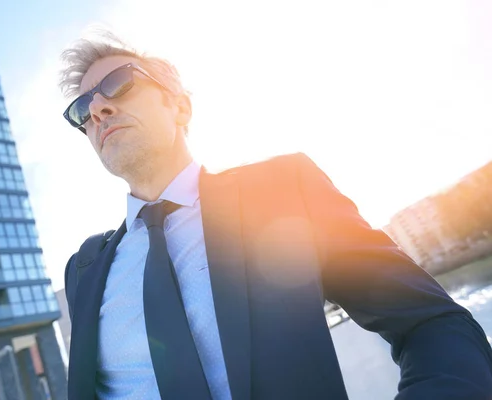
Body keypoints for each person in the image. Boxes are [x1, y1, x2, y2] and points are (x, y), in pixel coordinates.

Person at [58, 30, 492, 400]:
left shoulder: (283, 192)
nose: (97, 110)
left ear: (180, 107)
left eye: (118, 84)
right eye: (82, 109)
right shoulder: (84, 269)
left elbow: (429, 323)